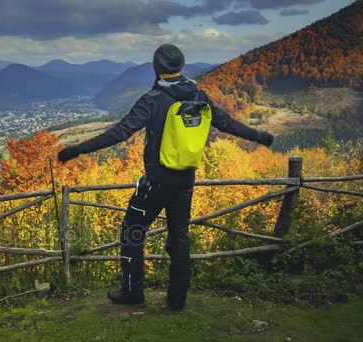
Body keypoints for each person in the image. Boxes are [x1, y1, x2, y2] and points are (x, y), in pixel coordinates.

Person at [57, 44, 273, 311]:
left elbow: (120, 132)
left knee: (132, 232)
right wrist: (259, 137)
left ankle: (132, 293)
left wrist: (77, 150)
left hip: (157, 180)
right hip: (186, 179)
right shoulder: (198, 94)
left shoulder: (153, 98)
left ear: (156, 67)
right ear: (180, 66)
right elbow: (226, 123)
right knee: (179, 237)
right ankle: (177, 301)